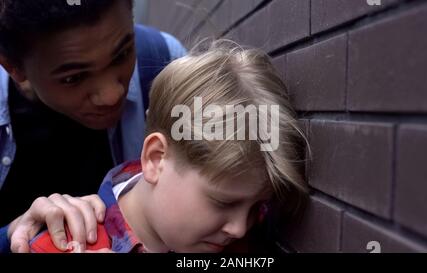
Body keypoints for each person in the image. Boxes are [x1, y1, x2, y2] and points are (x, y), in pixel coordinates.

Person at [29, 40, 310, 253]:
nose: (239, 228)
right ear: (155, 158)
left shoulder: (242, 235)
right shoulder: (60, 246)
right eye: (223, 202)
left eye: (257, 207)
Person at [0, 0, 186, 252]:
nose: (112, 94)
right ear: (13, 67)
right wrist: (9, 234)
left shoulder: (165, 64)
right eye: (73, 78)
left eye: (122, 55)